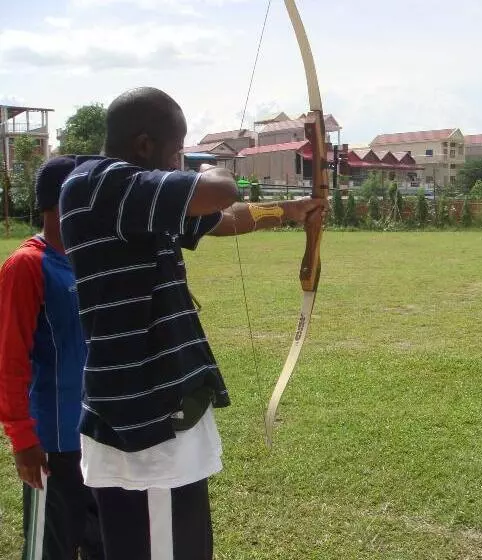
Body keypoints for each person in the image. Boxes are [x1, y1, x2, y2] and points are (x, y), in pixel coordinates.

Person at [59, 87, 325, 560]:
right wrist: (206, 167)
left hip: (162, 413)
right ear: (144, 145)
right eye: (177, 149)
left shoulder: (135, 199)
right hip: (144, 424)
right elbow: (219, 190)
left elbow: (218, 218)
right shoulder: (101, 184)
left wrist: (286, 211)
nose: (180, 159)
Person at [0, 156, 104, 559]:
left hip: (97, 435)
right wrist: (22, 439)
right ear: (65, 200)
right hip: (52, 444)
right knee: (51, 548)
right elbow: (9, 360)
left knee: (102, 541)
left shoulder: (87, 259)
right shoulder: (27, 265)